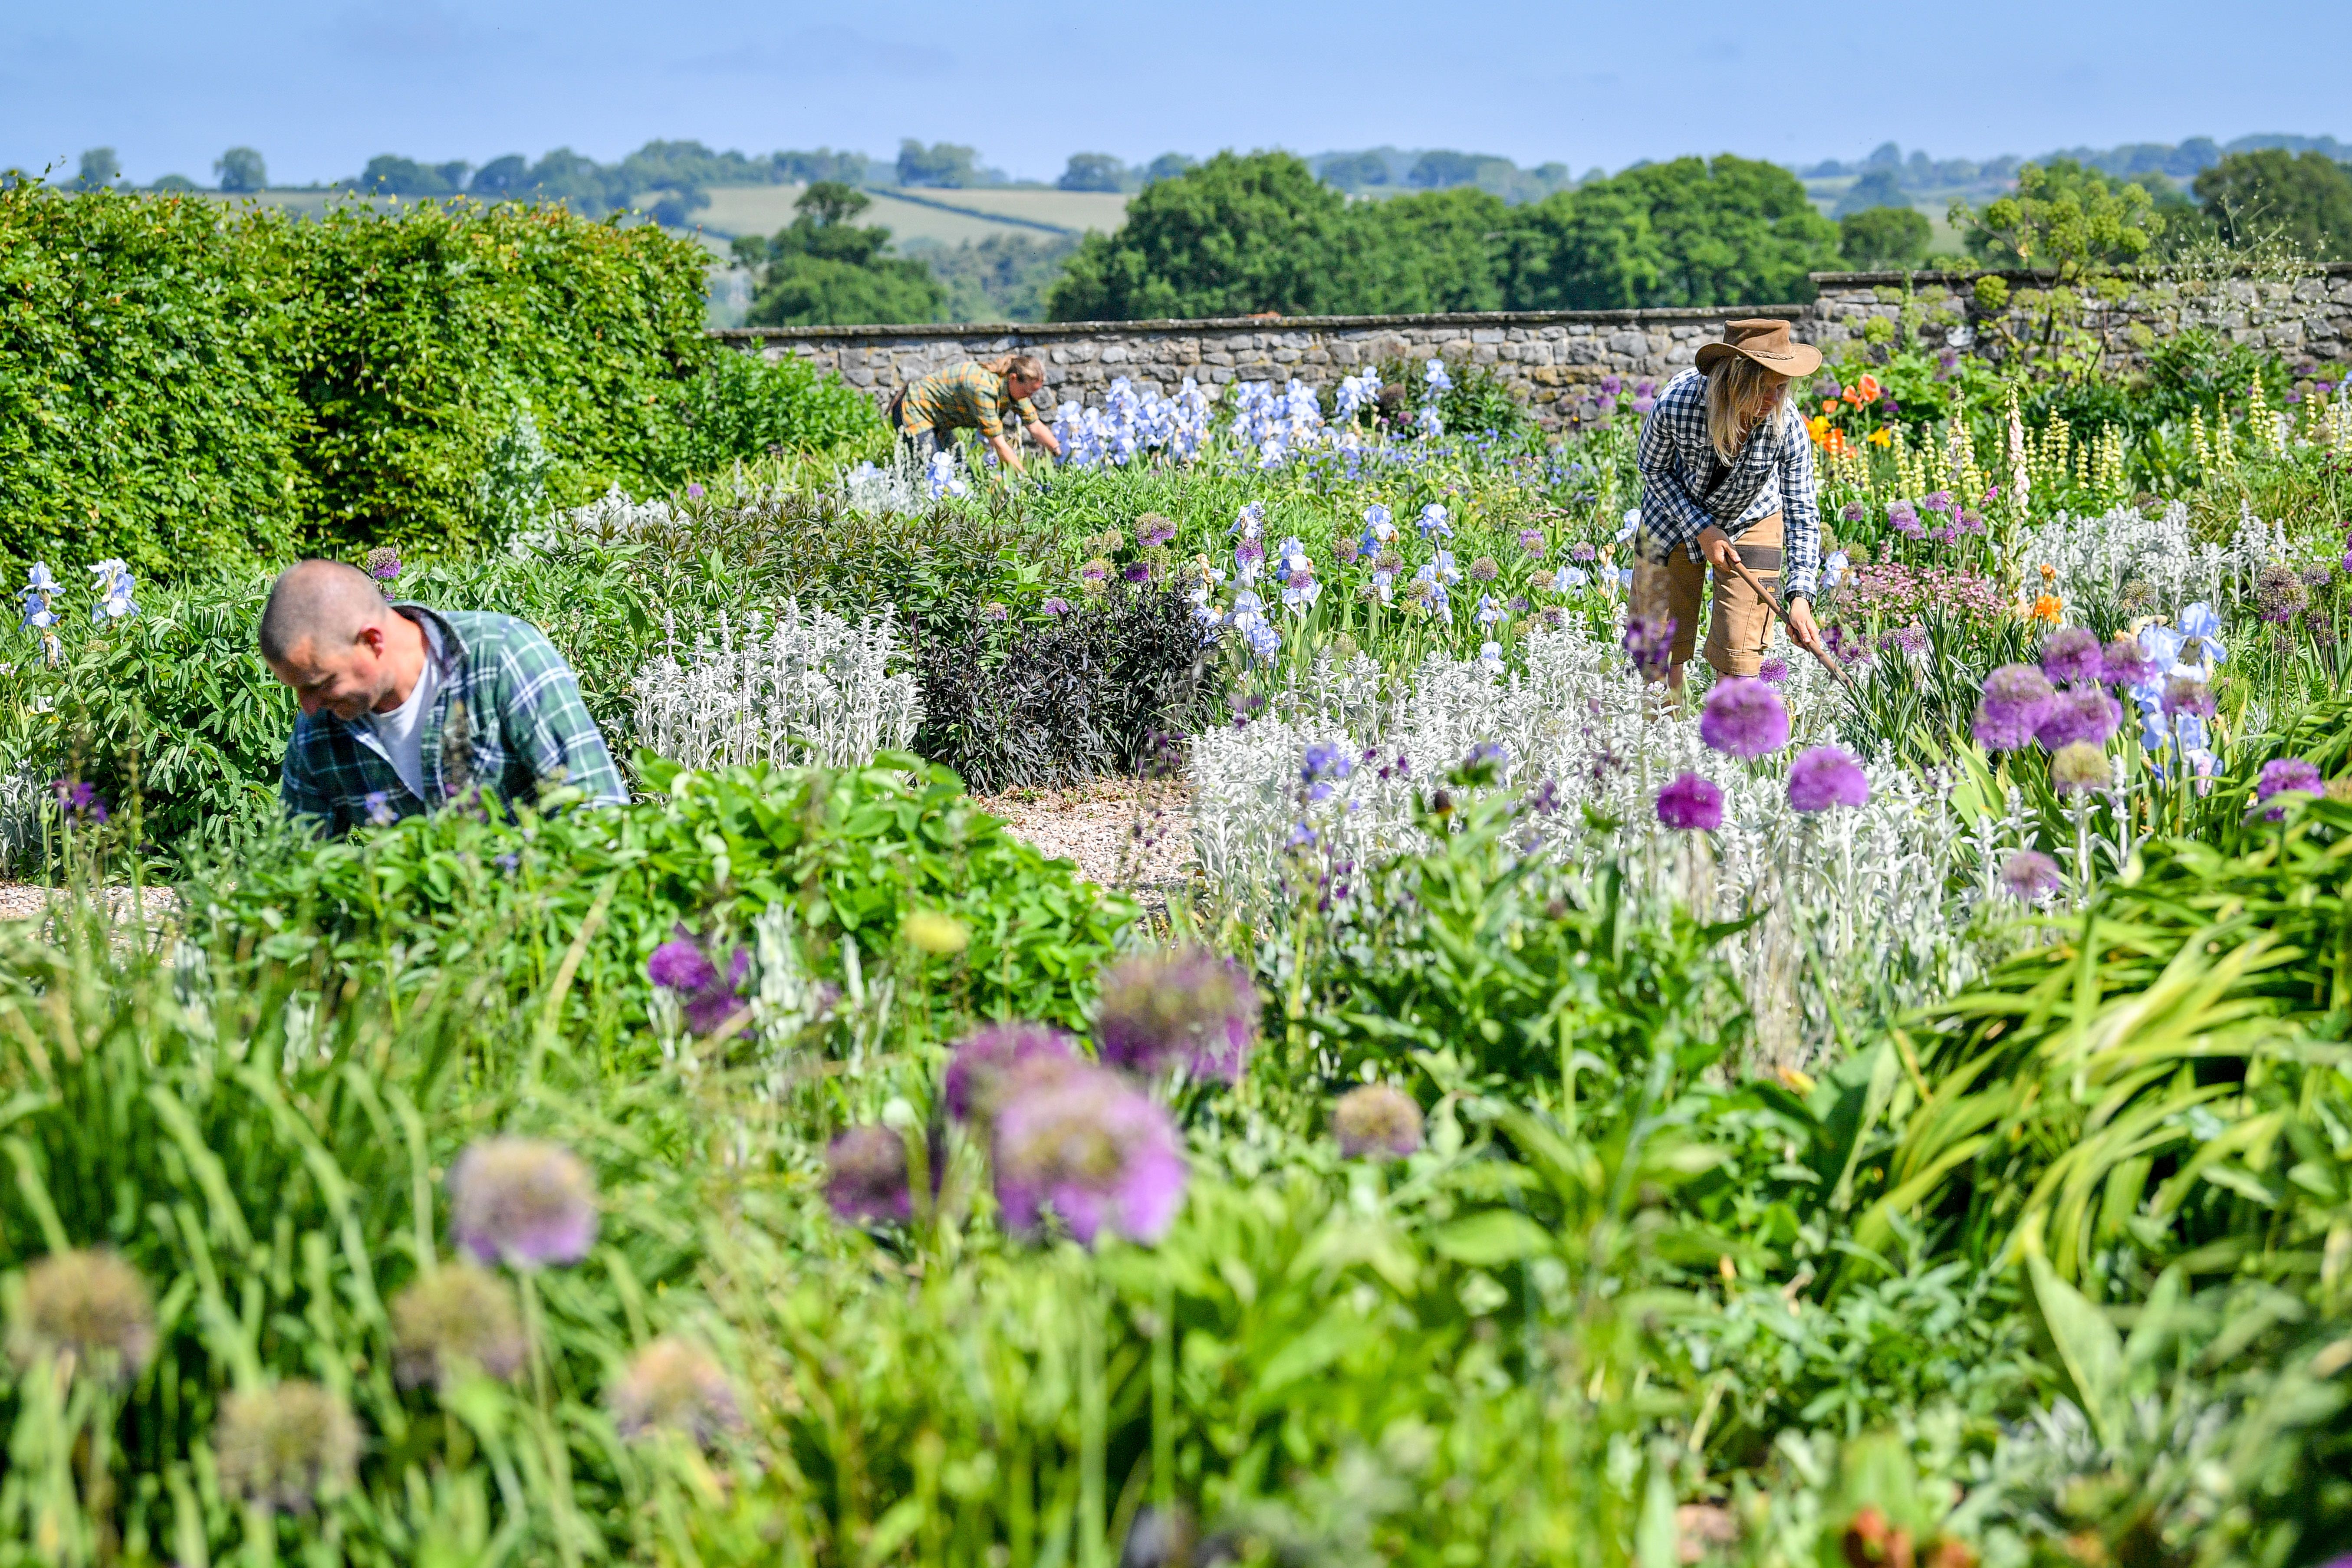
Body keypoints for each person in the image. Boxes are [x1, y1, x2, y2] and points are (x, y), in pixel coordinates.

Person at [258, 559, 627, 836]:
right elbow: (298, 871)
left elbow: (597, 813)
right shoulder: (318, 729)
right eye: (298, 689)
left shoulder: (501, 657)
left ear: (372, 641)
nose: (306, 706)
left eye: (319, 683)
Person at [1629, 319, 1829, 690]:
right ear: (1733, 381)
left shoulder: (1787, 425)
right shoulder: (1677, 404)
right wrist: (1701, 528)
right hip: (1671, 515)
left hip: (1752, 516)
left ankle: (1731, 744)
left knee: (1740, 658)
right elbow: (1652, 469)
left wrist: (1800, 595)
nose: (1772, 401)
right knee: (1658, 655)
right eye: (1761, 389)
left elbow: (1801, 509)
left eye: (1781, 388)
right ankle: (1661, 743)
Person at [889, 353, 1064, 473]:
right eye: (1028, 392)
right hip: (915, 408)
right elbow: (1000, 445)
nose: (1030, 397)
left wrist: (1061, 454)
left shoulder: (1016, 391)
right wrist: (1026, 481)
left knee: (961, 471)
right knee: (934, 470)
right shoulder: (984, 389)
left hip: (939, 420)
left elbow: (1035, 426)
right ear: (1014, 379)